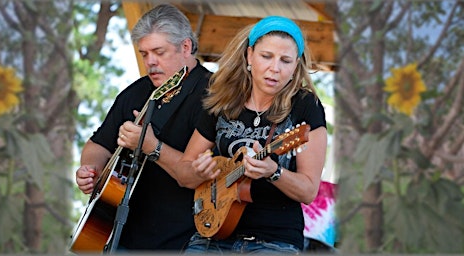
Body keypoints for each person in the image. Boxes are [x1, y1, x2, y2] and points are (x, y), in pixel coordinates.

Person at [178, 16, 328, 254]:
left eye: (285, 60)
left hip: (275, 240)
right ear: (249, 56)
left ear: (295, 66)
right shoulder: (222, 103)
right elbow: (184, 175)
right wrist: (197, 172)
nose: (275, 68)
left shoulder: (305, 106)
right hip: (211, 236)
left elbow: (308, 191)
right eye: (266, 56)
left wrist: (274, 172)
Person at [74, 3, 212, 251]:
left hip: (185, 241)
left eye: (158, 52)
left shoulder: (212, 96)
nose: (150, 62)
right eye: (144, 54)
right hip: (121, 236)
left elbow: (205, 173)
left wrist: (151, 145)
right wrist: (91, 170)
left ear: (186, 47)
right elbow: (97, 144)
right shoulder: (136, 92)